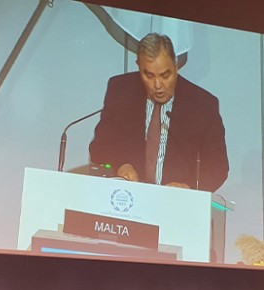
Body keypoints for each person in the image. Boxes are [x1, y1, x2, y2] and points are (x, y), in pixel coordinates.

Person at [89, 32, 229, 193]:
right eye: (149, 75)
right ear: (139, 66)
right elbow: (99, 147)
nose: (157, 85)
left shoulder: (202, 105)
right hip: (127, 198)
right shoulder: (121, 90)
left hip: (176, 204)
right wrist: (122, 165)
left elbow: (218, 167)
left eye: (165, 75)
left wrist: (188, 188)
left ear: (176, 66)